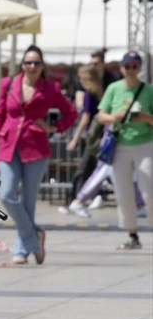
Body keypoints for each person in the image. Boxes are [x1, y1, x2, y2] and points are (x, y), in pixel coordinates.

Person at [0, 45, 77, 265]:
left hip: (35, 147)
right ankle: (33, 235)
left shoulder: (51, 88)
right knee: (6, 194)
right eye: (28, 62)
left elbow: (71, 112)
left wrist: (54, 127)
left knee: (28, 202)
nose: (32, 66)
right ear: (22, 64)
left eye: (36, 62)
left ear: (42, 66)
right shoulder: (8, 84)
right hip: (8, 145)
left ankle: (22, 249)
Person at [96, 50, 153, 250]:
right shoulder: (113, 88)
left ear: (140, 68)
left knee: (149, 190)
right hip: (120, 144)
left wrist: (145, 117)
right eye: (127, 66)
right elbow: (101, 115)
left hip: (145, 143)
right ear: (121, 68)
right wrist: (114, 117)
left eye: (134, 66)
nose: (130, 70)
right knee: (123, 191)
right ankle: (132, 234)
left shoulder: (148, 90)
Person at [62, 65, 104, 212]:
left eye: (81, 78)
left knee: (83, 170)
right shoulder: (100, 94)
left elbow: (85, 118)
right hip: (101, 137)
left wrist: (75, 139)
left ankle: (74, 201)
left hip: (93, 139)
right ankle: (91, 197)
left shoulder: (88, 95)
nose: (80, 81)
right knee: (95, 170)